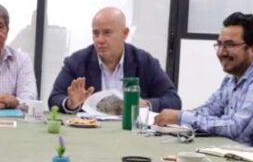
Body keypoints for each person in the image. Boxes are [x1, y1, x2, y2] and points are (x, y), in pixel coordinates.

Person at [154, 12, 253, 158]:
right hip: (246, 159)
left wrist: (181, 118)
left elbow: (236, 127)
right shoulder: (232, 79)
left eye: (229, 45)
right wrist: (177, 118)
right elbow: (209, 110)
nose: (221, 52)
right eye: (219, 44)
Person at [47, 7, 182, 113]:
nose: (100, 40)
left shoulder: (144, 62)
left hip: (131, 133)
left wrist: (144, 104)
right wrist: (71, 104)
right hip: (91, 132)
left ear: (125, 33)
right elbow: (54, 98)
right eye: (95, 33)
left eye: (107, 32)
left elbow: (173, 100)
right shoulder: (76, 62)